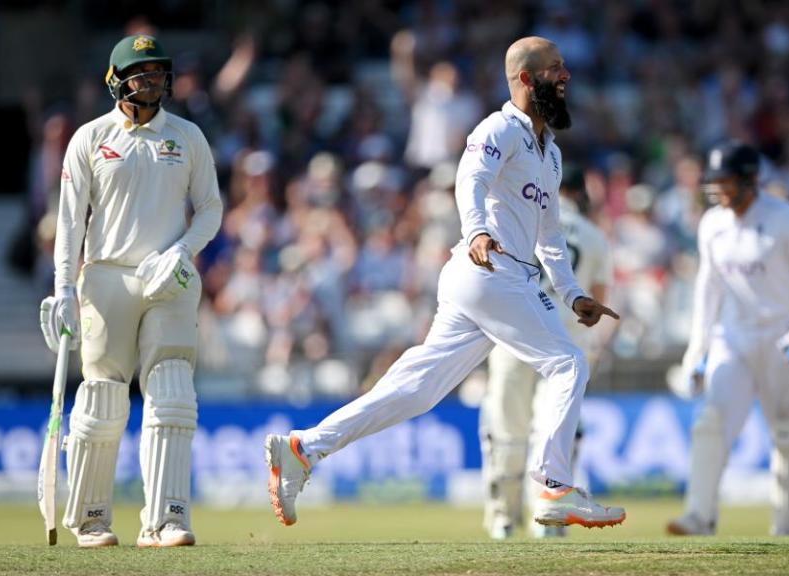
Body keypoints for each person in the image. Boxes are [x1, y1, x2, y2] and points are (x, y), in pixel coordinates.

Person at [264, 36, 625, 531]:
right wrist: (476, 228)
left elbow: (552, 238)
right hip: (490, 270)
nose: (565, 76)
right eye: (554, 69)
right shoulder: (498, 128)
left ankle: (304, 448)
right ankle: (554, 485)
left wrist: (573, 294)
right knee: (568, 364)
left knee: (416, 390)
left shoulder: (551, 153)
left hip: (490, 278)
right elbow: (469, 178)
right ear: (525, 78)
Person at [38, 34, 222, 547]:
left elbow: (210, 208)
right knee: (101, 398)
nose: (152, 80)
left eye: (158, 71)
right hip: (105, 277)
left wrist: (182, 251)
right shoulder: (90, 138)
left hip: (170, 277)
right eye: (141, 72)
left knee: (172, 393)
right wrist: (65, 290)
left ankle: (167, 519)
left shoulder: (186, 136)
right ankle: (92, 518)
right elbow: (70, 222)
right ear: (116, 80)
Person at [667, 142, 789, 536]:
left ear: (750, 180)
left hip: (782, 337)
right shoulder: (712, 223)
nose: (720, 190)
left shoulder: (784, 217)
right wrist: (697, 347)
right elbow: (708, 288)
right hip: (733, 339)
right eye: (715, 182)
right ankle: (699, 515)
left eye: (727, 181)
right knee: (711, 422)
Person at [480, 165, 614, 539]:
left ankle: (503, 519)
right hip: (562, 348)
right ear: (578, 192)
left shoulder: (515, 224)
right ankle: (550, 518)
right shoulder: (594, 237)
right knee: (553, 434)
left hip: (513, 343)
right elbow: (597, 306)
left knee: (506, 434)